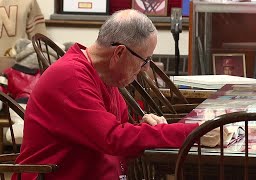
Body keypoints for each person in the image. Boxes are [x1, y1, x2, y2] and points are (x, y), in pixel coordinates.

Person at [14, 9, 199, 179]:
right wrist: (195, 131)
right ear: (119, 53)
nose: (145, 69)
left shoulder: (103, 76)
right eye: (145, 60)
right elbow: (113, 138)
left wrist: (143, 125)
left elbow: (119, 129)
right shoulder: (71, 77)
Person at [0, 38, 65, 144]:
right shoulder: (58, 74)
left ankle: (23, 129)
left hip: (22, 103)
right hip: (36, 104)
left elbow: (2, 86)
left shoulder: (12, 72)